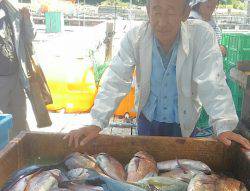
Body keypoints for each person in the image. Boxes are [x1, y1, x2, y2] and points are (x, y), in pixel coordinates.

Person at [65, 0, 250, 150]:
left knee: (183, 175)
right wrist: (97, 122)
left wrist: (224, 126)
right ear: (147, 10)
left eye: (171, 12)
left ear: (185, 13)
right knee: (145, 173)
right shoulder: (134, 37)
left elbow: (213, 82)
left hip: (184, 123)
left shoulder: (201, 36)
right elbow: (116, 79)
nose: (162, 22)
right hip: (148, 121)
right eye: (156, 11)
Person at [0, 0, 36, 137]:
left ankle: (22, 148)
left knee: (20, 118)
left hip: (16, 76)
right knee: (2, 124)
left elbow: (30, 37)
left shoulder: (12, 8)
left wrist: (27, 19)